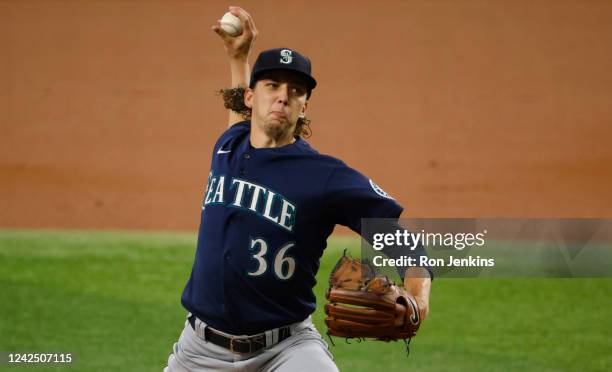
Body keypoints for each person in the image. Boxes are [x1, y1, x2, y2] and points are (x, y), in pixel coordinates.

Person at [164, 6, 432, 372]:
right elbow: (241, 120)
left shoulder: (324, 176)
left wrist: (419, 297)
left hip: (286, 349)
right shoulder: (229, 144)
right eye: (272, 86)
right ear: (250, 97)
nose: (282, 96)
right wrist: (238, 56)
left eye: (295, 90)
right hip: (199, 351)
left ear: (304, 106)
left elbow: (404, 242)